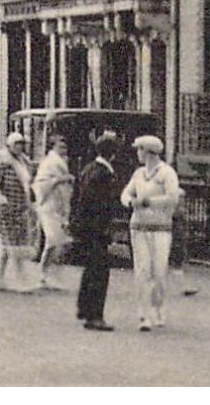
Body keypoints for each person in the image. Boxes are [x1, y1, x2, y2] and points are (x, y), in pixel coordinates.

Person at [121, 134, 182, 331]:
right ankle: (144, 314)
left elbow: (173, 198)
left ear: (148, 152)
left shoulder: (167, 173)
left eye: (139, 150)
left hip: (161, 228)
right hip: (139, 227)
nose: (137, 154)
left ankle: (158, 309)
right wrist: (131, 202)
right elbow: (125, 194)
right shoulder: (138, 173)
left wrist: (148, 202)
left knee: (159, 270)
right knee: (142, 270)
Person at [73, 133, 121, 331]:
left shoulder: (88, 169)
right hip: (96, 229)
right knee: (99, 272)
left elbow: (78, 199)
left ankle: (84, 308)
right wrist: (104, 228)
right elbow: (99, 205)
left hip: (87, 228)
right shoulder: (103, 174)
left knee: (90, 269)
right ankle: (95, 315)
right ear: (114, 154)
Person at [0, 131, 39, 294]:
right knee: (14, 245)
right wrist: (0, 201)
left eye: (22, 144)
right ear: (9, 146)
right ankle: (21, 280)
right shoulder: (2, 163)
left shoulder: (24, 162)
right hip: (6, 209)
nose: (20, 147)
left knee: (6, 245)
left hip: (21, 208)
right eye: (17, 144)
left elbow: (29, 183)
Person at [32, 134, 75, 291]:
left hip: (60, 206)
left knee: (59, 242)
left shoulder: (62, 162)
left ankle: (51, 275)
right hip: (49, 206)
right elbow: (40, 183)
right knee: (54, 240)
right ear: (53, 147)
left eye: (65, 146)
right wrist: (59, 180)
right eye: (60, 146)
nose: (64, 149)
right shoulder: (49, 163)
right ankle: (44, 274)